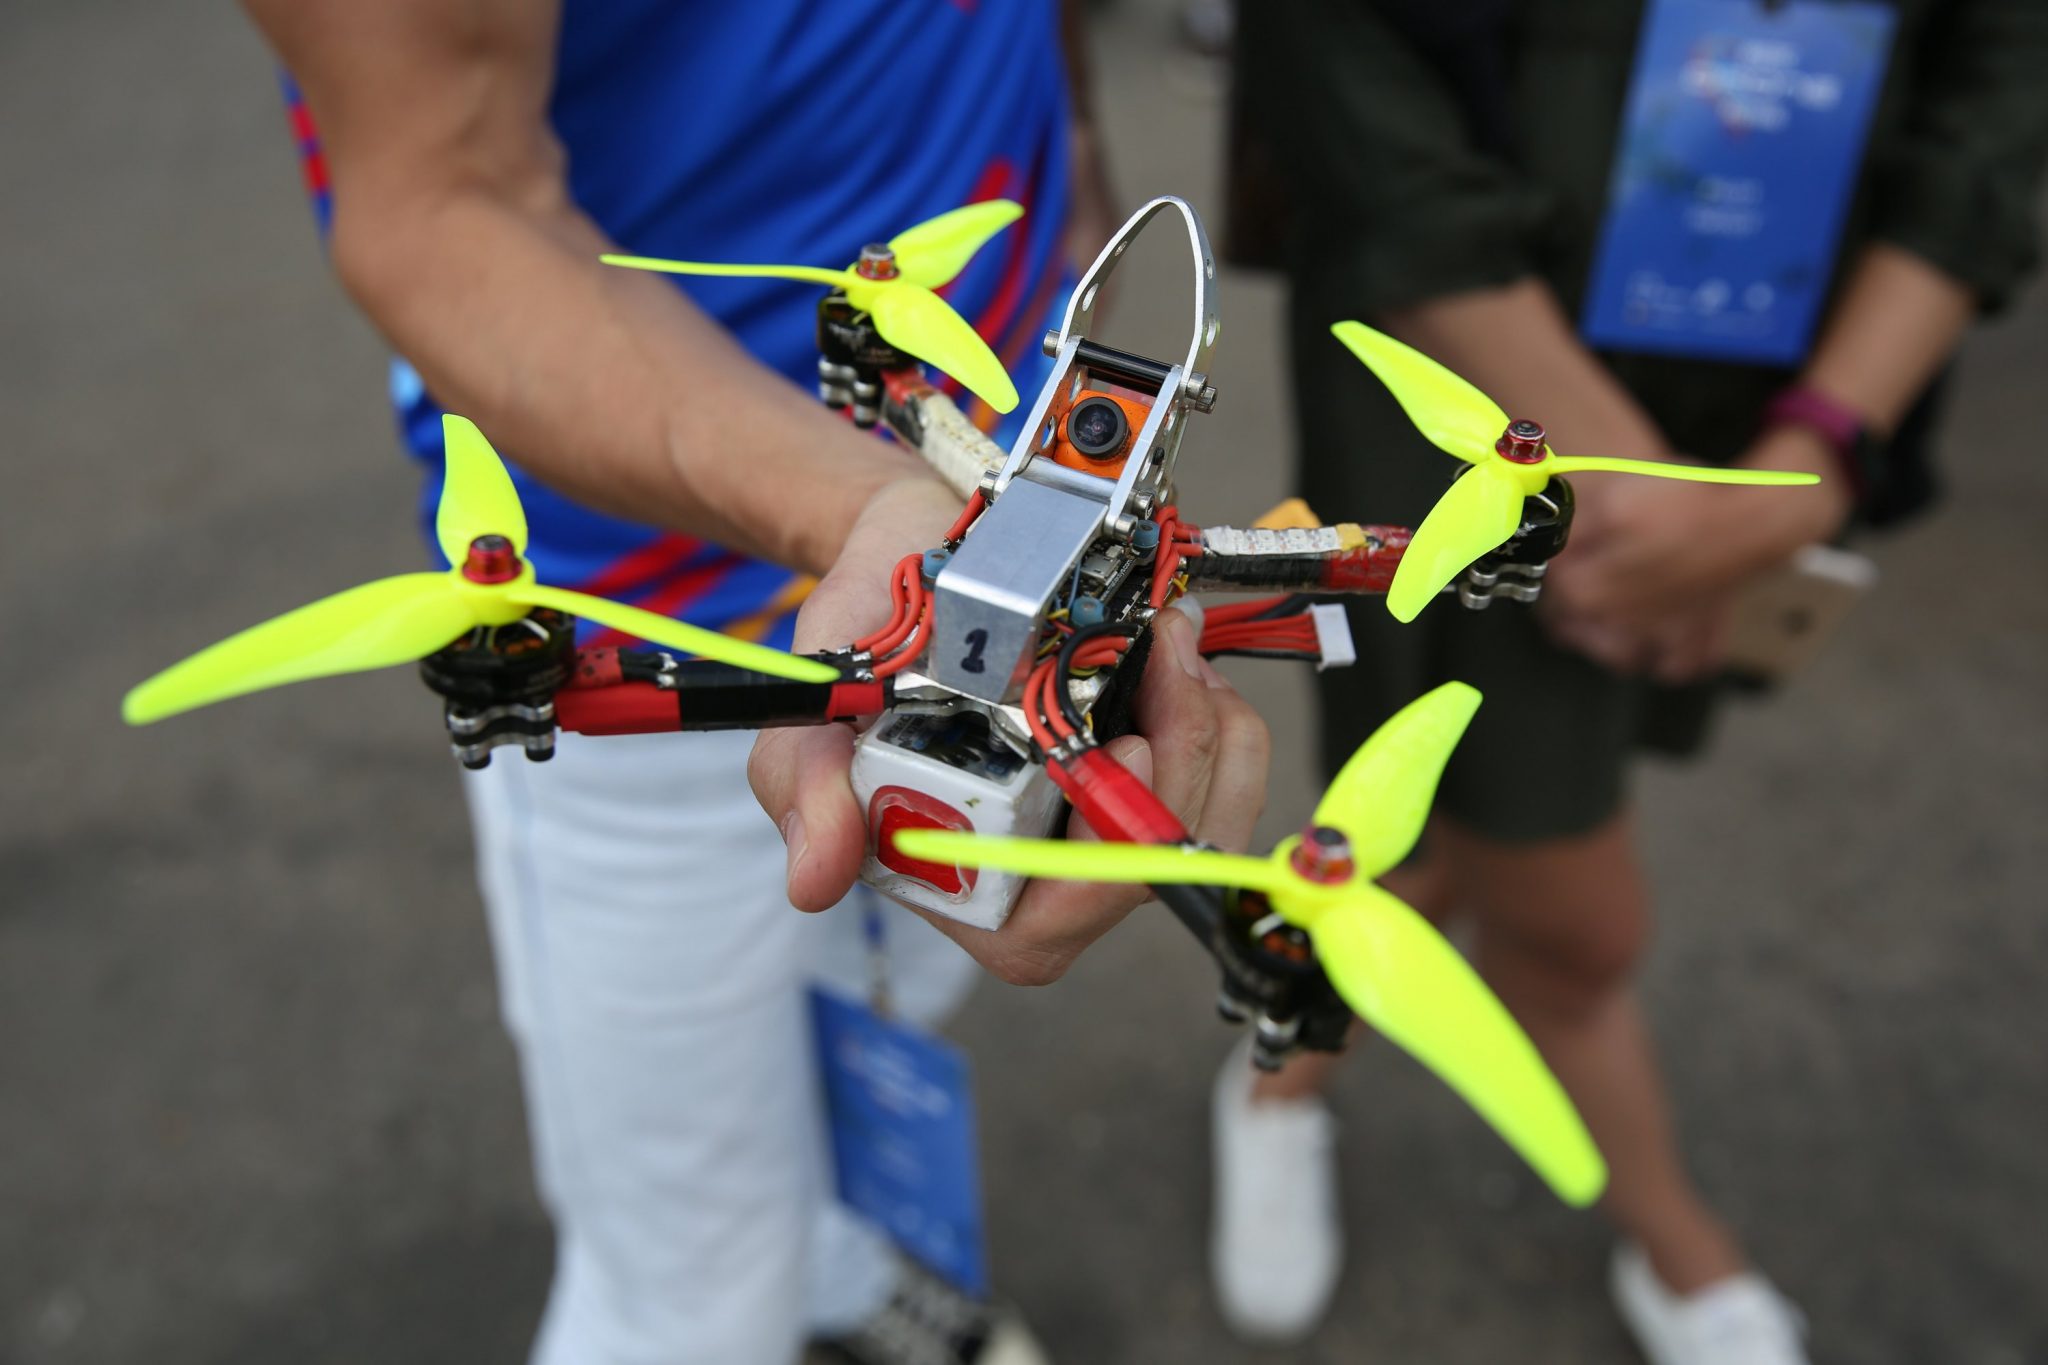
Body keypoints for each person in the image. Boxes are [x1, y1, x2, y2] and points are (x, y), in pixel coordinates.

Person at [239, 3, 1272, 1363]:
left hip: (991, 426)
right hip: (664, 599)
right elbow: (437, 204)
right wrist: (877, 514)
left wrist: (1066, 111)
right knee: (690, 1280)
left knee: (890, 991)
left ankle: (835, 1269)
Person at [1221, 1, 2048, 1361]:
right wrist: (1633, 489)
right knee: (1570, 920)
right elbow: (1344, 65)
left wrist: (1808, 452)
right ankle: (1670, 1233)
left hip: (1766, 364)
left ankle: (1283, 1054)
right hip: (1468, 367)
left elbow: (2002, 75)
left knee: (1429, 849)